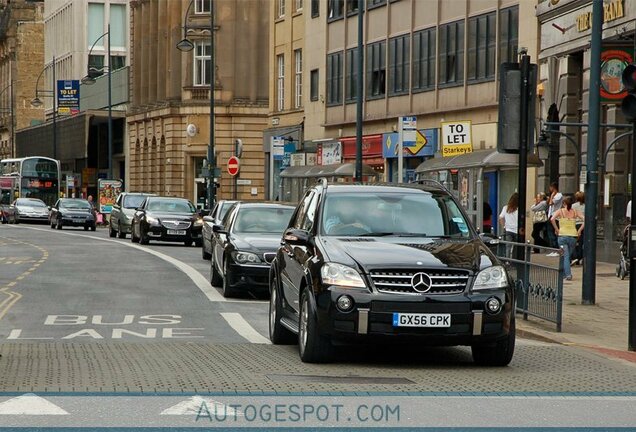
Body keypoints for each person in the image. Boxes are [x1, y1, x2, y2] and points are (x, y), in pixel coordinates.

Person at [550, 196, 584, 281]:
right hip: (573, 236)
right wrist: (579, 230)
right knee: (567, 256)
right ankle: (565, 273)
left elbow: (552, 219)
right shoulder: (575, 212)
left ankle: (567, 274)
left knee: (565, 256)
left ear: (564, 203)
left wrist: (557, 229)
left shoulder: (560, 211)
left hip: (562, 236)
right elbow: (585, 220)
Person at [499, 193, 519, 257]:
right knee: (516, 248)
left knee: (508, 247)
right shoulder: (519, 209)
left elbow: (501, 217)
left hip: (508, 230)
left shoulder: (506, 208)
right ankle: (514, 260)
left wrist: (504, 226)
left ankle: (507, 261)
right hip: (516, 230)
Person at [546, 182, 563, 253]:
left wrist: (552, 196)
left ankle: (556, 249)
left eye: (550, 187)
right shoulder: (552, 195)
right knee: (550, 233)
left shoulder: (559, 195)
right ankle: (553, 249)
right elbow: (548, 203)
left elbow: (550, 203)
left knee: (555, 233)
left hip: (555, 217)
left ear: (553, 187)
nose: (549, 189)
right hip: (550, 215)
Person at [571, 191, 585, 265]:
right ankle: (580, 257)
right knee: (581, 243)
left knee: (574, 242)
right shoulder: (586, 206)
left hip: (576, 224)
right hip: (583, 225)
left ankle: (575, 257)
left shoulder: (573, 206)